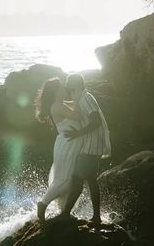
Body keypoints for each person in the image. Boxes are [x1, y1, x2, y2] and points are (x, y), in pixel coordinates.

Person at [57, 73, 111, 225]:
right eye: (68, 87)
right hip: (92, 145)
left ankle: (67, 213)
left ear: (78, 86)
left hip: (91, 146)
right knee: (90, 180)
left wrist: (77, 134)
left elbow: (96, 121)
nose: (69, 90)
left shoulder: (86, 98)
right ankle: (95, 217)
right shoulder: (82, 97)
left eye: (70, 87)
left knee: (78, 179)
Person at [35, 77, 83, 222]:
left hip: (69, 143)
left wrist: (75, 99)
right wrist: (77, 97)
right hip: (67, 144)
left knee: (70, 178)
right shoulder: (57, 106)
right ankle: (43, 204)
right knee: (66, 179)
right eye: (62, 88)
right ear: (56, 92)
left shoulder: (59, 104)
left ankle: (64, 211)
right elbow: (78, 115)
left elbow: (71, 106)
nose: (65, 90)